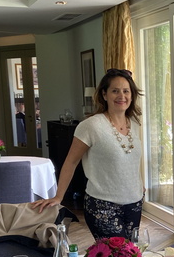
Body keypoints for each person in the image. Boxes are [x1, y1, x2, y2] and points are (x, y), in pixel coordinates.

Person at [32, 69, 144, 239]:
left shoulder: (134, 123)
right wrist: (59, 196)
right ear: (104, 94)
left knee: (130, 253)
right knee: (116, 254)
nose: (121, 96)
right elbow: (71, 161)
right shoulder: (91, 126)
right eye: (115, 91)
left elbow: (132, 159)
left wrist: (139, 183)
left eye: (126, 91)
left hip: (134, 202)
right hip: (103, 205)